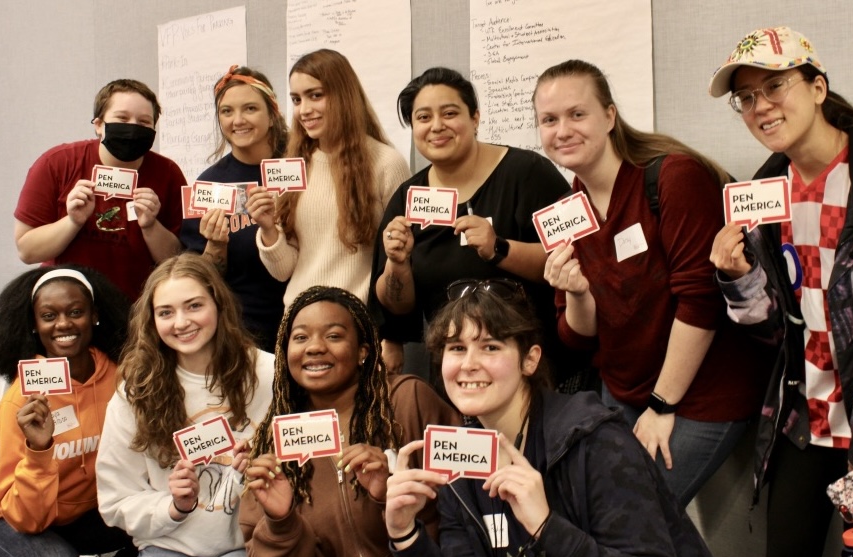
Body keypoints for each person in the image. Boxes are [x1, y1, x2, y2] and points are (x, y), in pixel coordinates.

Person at [534, 59, 771, 506]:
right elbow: (577, 336)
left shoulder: (672, 178)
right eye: (549, 120)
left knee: (639, 520)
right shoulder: (566, 212)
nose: (562, 130)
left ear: (609, 116)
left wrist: (662, 406)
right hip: (624, 390)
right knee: (606, 518)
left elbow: (700, 301)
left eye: (576, 114)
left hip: (700, 392)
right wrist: (579, 294)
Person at [384, 283, 722, 557]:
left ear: (529, 360)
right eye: (456, 348)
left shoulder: (594, 439)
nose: (468, 363)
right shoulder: (457, 462)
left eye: (490, 346)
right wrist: (404, 535)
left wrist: (547, 526)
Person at [707, 26, 853, 557]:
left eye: (775, 87)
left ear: (819, 87)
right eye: (746, 98)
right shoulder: (764, 193)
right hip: (810, 416)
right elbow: (775, 329)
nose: (761, 107)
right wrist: (739, 280)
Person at [372, 67, 586, 385]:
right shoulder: (407, 198)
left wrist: (498, 249)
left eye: (449, 113)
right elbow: (396, 306)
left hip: (539, 371)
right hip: (460, 377)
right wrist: (397, 264)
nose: (437, 126)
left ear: (475, 117)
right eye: (423, 117)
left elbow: (578, 255)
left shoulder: (528, 172)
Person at [239, 286, 459, 557]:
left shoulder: (410, 400)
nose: (314, 347)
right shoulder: (276, 439)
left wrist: (388, 495)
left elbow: (464, 509)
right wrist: (281, 522)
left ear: (362, 351)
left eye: (333, 336)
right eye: (300, 337)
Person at [96, 253, 274, 557]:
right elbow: (116, 499)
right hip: (168, 550)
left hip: (248, 548)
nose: (181, 322)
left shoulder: (268, 372)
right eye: (166, 312)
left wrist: (264, 464)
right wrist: (173, 506)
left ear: (219, 303)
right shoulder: (136, 391)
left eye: (194, 306)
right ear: (151, 320)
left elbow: (306, 461)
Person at [0, 266, 135, 557]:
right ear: (34, 325)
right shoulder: (21, 400)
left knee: (169, 526)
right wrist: (40, 448)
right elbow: (26, 519)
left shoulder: (121, 378)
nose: (63, 324)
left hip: (79, 512)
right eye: (48, 316)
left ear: (95, 316)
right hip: (8, 516)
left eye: (75, 312)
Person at [255, 49, 410, 307]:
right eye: (296, 100)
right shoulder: (290, 168)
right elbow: (283, 271)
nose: (304, 110)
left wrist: (392, 338)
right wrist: (268, 228)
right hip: (299, 322)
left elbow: (400, 261)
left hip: (357, 323)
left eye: (315, 96)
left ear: (344, 96)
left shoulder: (386, 163)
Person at [14, 79, 186, 302]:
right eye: (122, 119)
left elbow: (178, 263)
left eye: (144, 122)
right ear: (98, 125)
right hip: (67, 307)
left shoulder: (169, 174)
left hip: (137, 310)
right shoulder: (56, 163)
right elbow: (27, 251)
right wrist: (72, 221)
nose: (133, 128)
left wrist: (151, 226)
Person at [180, 65, 290, 352]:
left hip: (309, 317)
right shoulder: (210, 184)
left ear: (272, 111)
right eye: (226, 111)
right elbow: (200, 279)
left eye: (250, 108)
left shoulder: (302, 164)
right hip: (245, 332)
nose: (237, 120)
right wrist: (216, 244)